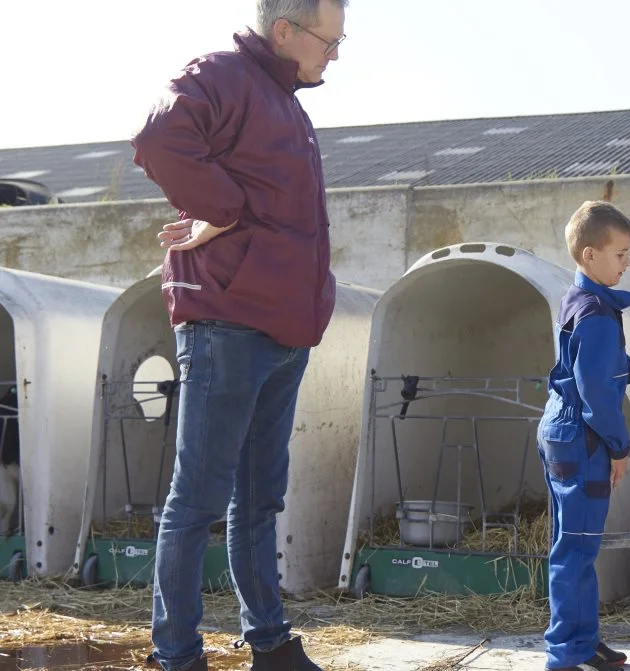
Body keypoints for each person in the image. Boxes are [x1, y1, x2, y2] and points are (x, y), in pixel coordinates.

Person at [130, 1, 348, 669]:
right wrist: (219, 207)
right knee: (197, 496)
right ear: (284, 30)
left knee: (260, 499)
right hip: (229, 320)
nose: (335, 54)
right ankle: (176, 653)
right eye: (328, 40)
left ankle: (271, 642)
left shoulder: (286, 103)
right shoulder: (222, 75)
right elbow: (159, 139)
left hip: (284, 328)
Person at [536, 201, 630, 671]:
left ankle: (583, 643)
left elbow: (589, 363)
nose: (627, 263)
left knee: (577, 546)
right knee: (575, 549)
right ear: (590, 254)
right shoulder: (599, 313)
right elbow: (597, 394)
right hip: (584, 437)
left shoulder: (583, 301)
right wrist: (620, 448)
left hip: (563, 429)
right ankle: (566, 654)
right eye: (621, 254)